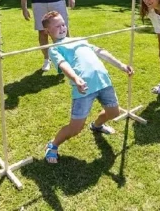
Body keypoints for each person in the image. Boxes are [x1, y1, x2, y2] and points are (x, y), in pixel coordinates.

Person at [41, 11, 133, 163]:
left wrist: (121, 65)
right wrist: (75, 78)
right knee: (75, 129)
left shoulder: (79, 40)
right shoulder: (55, 48)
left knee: (114, 112)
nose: (62, 28)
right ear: (47, 31)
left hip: (104, 83)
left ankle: (96, 125)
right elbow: (63, 64)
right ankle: (53, 145)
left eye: (63, 24)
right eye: (57, 26)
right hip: (83, 89)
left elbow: (101, 52)